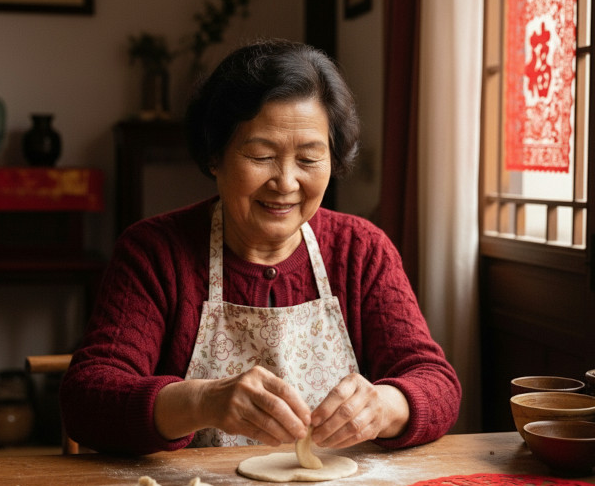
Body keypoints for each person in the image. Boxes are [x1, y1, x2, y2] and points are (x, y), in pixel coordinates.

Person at [59, 38, 461, 455]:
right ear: (215, 156)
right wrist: (202, 401)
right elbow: (86, 398)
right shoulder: (154, 252)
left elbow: (436, 382)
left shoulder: (362, 250)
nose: (286, 183)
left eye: (308, 159)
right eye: (261, 156)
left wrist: (385, 407)